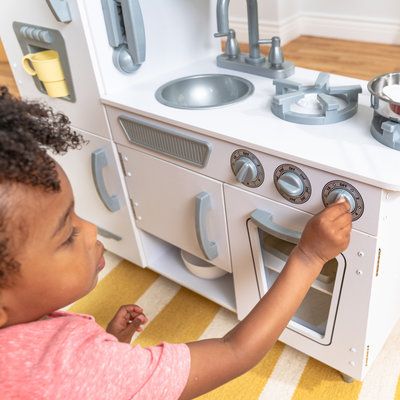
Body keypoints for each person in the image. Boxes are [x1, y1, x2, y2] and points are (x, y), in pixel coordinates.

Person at [0, 86, 352, 399]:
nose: (91, 230)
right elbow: (235, 352)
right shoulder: (73, 370)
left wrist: (110, 350)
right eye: (68, 236)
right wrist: (309, 256)